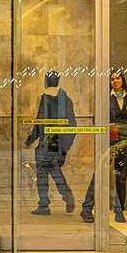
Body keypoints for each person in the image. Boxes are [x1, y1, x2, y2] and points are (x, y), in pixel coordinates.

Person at [82, 71, 127, 224]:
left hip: (125, 140)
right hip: (108, 141)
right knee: (100, 173)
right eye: (112, 79)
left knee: (121, 176)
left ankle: (119, 210)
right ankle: (87, 208)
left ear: (123, 79)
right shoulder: (105, 98)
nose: (115, 81)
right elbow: (96, 119)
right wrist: (108, 126)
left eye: (118, 78)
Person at [25, 71, 76, 215]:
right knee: (54, 171)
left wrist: (30, 140)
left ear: (46, 81)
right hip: (58, 142)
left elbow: (39, 123)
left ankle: (45, 204)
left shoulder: (44, 99)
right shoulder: (66, 99)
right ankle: (64, 197)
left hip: (46, 142)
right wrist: (66, 145)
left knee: (44, 173)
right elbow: (72, 124)